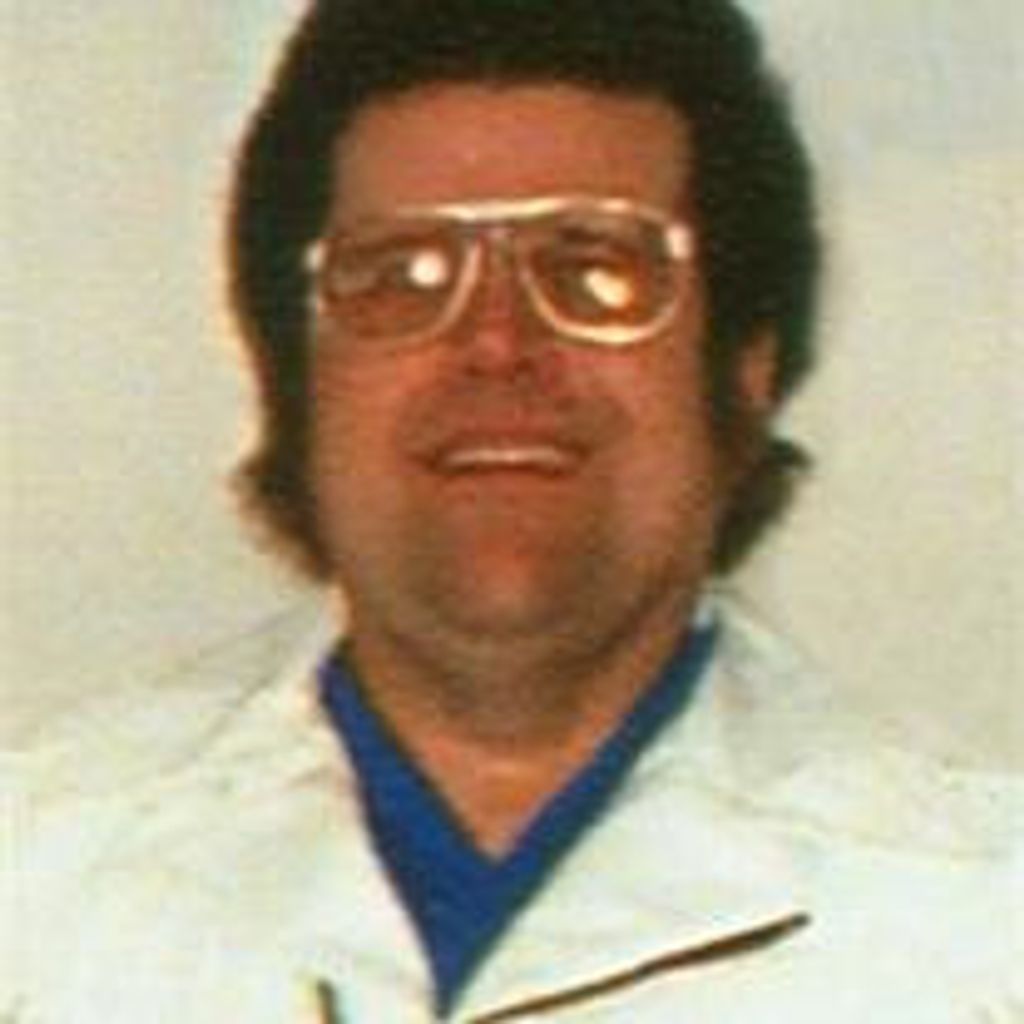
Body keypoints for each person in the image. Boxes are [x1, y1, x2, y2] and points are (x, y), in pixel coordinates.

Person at [12, 1, 1020, 1021]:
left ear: (743, 378)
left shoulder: (979, 924)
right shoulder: (38, 881)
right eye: (402, 275)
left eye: (594, 270)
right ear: (295, 381)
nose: (496, 343)